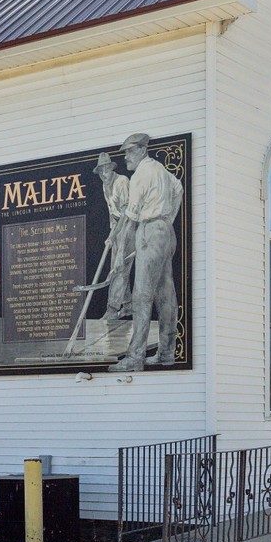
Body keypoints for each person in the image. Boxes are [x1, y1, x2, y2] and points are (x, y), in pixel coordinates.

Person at [109, 133, 183, 372]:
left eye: (130, 152)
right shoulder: (161, 170)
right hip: (165, 231)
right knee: (165, 293)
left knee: (142, 295)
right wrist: (167, 219)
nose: (126, 157)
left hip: (149, 230)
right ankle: (166, 353)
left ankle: (135, 357)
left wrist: (120, 257)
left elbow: (130, 220)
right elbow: (178, 189)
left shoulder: (140, 175)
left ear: (141, 150)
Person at [91, 150, 132, 321]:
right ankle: (128, 306)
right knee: (119, 266)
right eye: (101, 171)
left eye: (107, 170)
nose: (104, 174)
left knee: (119, 267)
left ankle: (112, 309)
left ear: (111, 168)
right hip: (117, 225)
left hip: (131, 224)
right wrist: (111, 232)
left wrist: (114, 234)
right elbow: (112, 212)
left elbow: (125, 212)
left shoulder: (121, 181)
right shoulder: (104, 185)